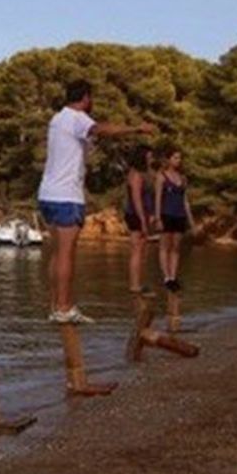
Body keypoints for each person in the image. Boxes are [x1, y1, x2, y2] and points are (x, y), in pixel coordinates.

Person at [36, 80, 154, 324]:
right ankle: (65, 307)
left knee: (57, 253)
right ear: (86, 98)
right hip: (67, 195)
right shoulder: (78, 118)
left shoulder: (57, 119)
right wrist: (137, 129)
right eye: (91, 98)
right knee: (67, 254)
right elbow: (102, 130)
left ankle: (55, 305)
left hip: (47, 193)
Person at [156, 147, 196, 292]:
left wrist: (191, 221)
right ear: (168, 159)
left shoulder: (183, 178)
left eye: (179, 158)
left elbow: (185, 201)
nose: (178, 161)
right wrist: (158, 217)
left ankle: (173, 276)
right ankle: (166, 277)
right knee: (164, 246)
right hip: (166, 214)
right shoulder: (161, 176)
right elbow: (158, 199)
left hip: (179, 215)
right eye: (175, 158)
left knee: (176, 247)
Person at [123, 144, 159, 295]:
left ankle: (139, 283)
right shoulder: (136, 174)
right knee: (137, 249)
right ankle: (134, 285)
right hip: (136, 214)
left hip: (145, 214)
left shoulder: (147, 174)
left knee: (143, 249)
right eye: (149, 156)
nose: (151, 159)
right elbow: (136, 199)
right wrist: (143, 220)